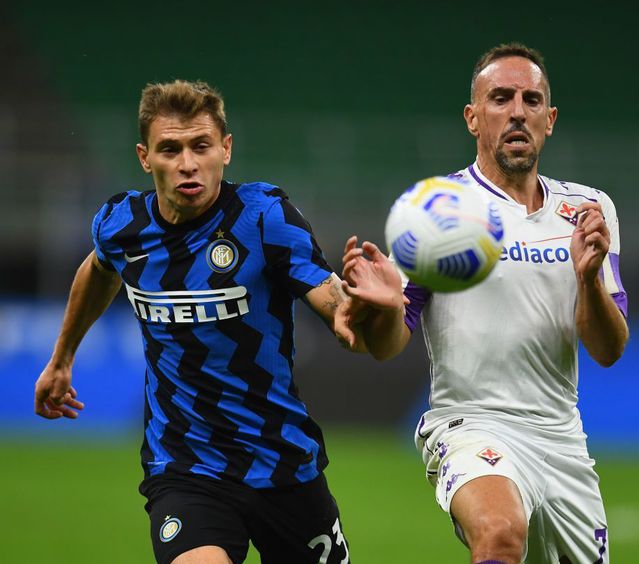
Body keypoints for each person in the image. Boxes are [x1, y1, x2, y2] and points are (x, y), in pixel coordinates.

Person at [33, 79, 402, 564]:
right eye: (171, 149)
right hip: (184, 467)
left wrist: (373, 311)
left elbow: (342, 314)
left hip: (281, 463)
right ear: (145, 158)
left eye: (201, 146)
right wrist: (62, 358)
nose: (188, 163)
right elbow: (99, 270)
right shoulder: (121, 224)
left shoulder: (264, 217)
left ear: (225, 149)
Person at [341, 42, 629, 564]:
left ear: (550, 119)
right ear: (473, 118)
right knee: (499, 531)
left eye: (531, 100)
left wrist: (587, 281)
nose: (517, 111)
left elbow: (608, 350)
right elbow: (387, 346)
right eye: (500, 98)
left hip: (560, 438)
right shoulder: (439, 210)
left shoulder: (588, 209)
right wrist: (386, 307)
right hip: (469, 423)